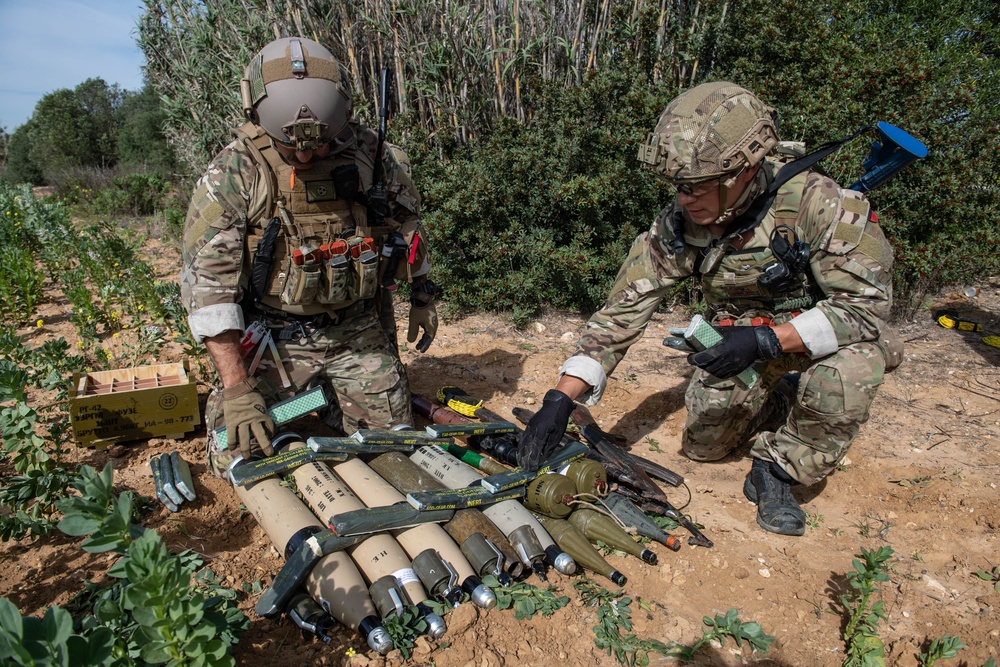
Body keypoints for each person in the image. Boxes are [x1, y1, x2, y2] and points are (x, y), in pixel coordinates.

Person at [518, 81, 902, 536]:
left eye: (695, 186)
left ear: (746, 169)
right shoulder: (680, 226)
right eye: (676, 186)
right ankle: (781, 397)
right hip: (737, 339)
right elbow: (622, 311)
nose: (682, 199)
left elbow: (866, 309)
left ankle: (779, 473)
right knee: (705, 448)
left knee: (848, 375)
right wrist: (561, 397)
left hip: (823, 338)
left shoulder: (821, 204)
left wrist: (766, 340)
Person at [180, 37, 437, 477]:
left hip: (355, 331)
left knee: (393, 448)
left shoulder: (372, 155)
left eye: (319, 144)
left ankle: (332, 399)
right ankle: (310, 399)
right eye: (291, 145)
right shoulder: (236, 171)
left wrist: (422, 296)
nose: (305, 154)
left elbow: (407, 226)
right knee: (236, 455)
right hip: (275, 337)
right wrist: (239, 390)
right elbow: (209, 291)